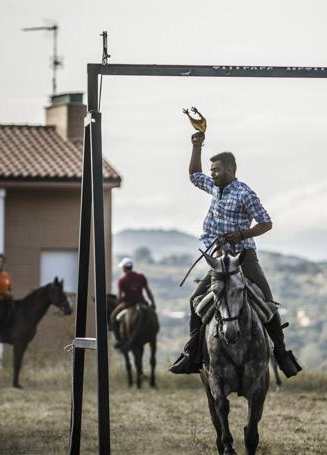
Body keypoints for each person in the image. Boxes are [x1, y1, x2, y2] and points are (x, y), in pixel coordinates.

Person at [170, 131, 301, 377]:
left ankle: (282, 354)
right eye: (212, 170)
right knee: (195, 300)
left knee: (268, 302)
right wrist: (196, 146)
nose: (212, 174)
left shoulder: (245, 193)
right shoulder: (214, 187)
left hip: (243, 257)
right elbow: (194, 175)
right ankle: (192, 354)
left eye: (217, 170)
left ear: (230, 170)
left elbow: (266, 222)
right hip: (219, 260)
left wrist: (242, 235)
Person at [110, 257, 156, 349]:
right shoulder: (141, 277)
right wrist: (153, 303)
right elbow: (148, 291)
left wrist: (118, 301)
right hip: (142, 303)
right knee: (153, 315)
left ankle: (119, 340)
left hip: (129, 304)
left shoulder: (122, 281)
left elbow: (119, 298)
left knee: (113, 316)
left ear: (124, 268)